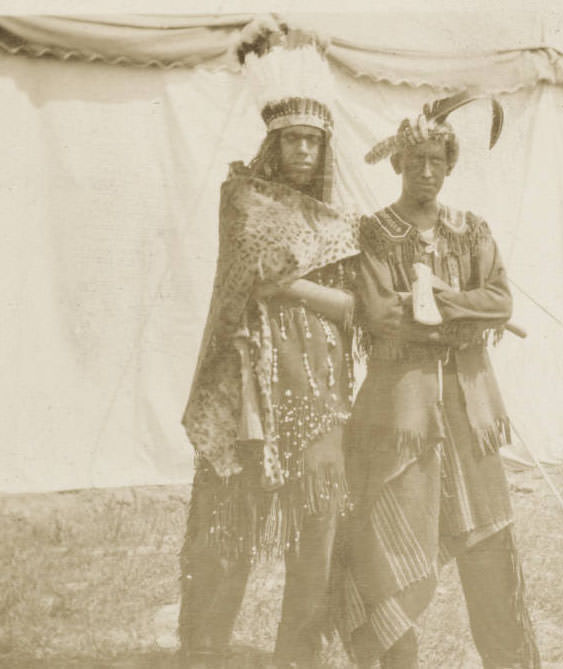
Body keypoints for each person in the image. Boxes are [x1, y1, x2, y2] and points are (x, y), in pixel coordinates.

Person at [179, 21, 358, 669]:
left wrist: (304, 291)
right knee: (228, 524)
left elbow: (354, 307)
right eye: (292, 142)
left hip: (316, 391)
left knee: (315, 531)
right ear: (273, 146)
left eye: (313, 142)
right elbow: (253, 269)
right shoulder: (243, 198)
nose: (303, 152)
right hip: (244, 392)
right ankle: (202, 647)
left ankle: (298, 652)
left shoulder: (340, 227)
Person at [338, 102, 541, 668]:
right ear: (398, 163)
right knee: (386, 544)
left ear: (449, 166)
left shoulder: (471, 228)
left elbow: (500, 301)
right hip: (400, 417)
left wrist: (437, 304)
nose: (426, 171)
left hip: (470, 413)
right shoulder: (375, 232)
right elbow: (380, 315)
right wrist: (459, 318)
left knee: (488, 544)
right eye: (416, 161)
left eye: (436, 160)